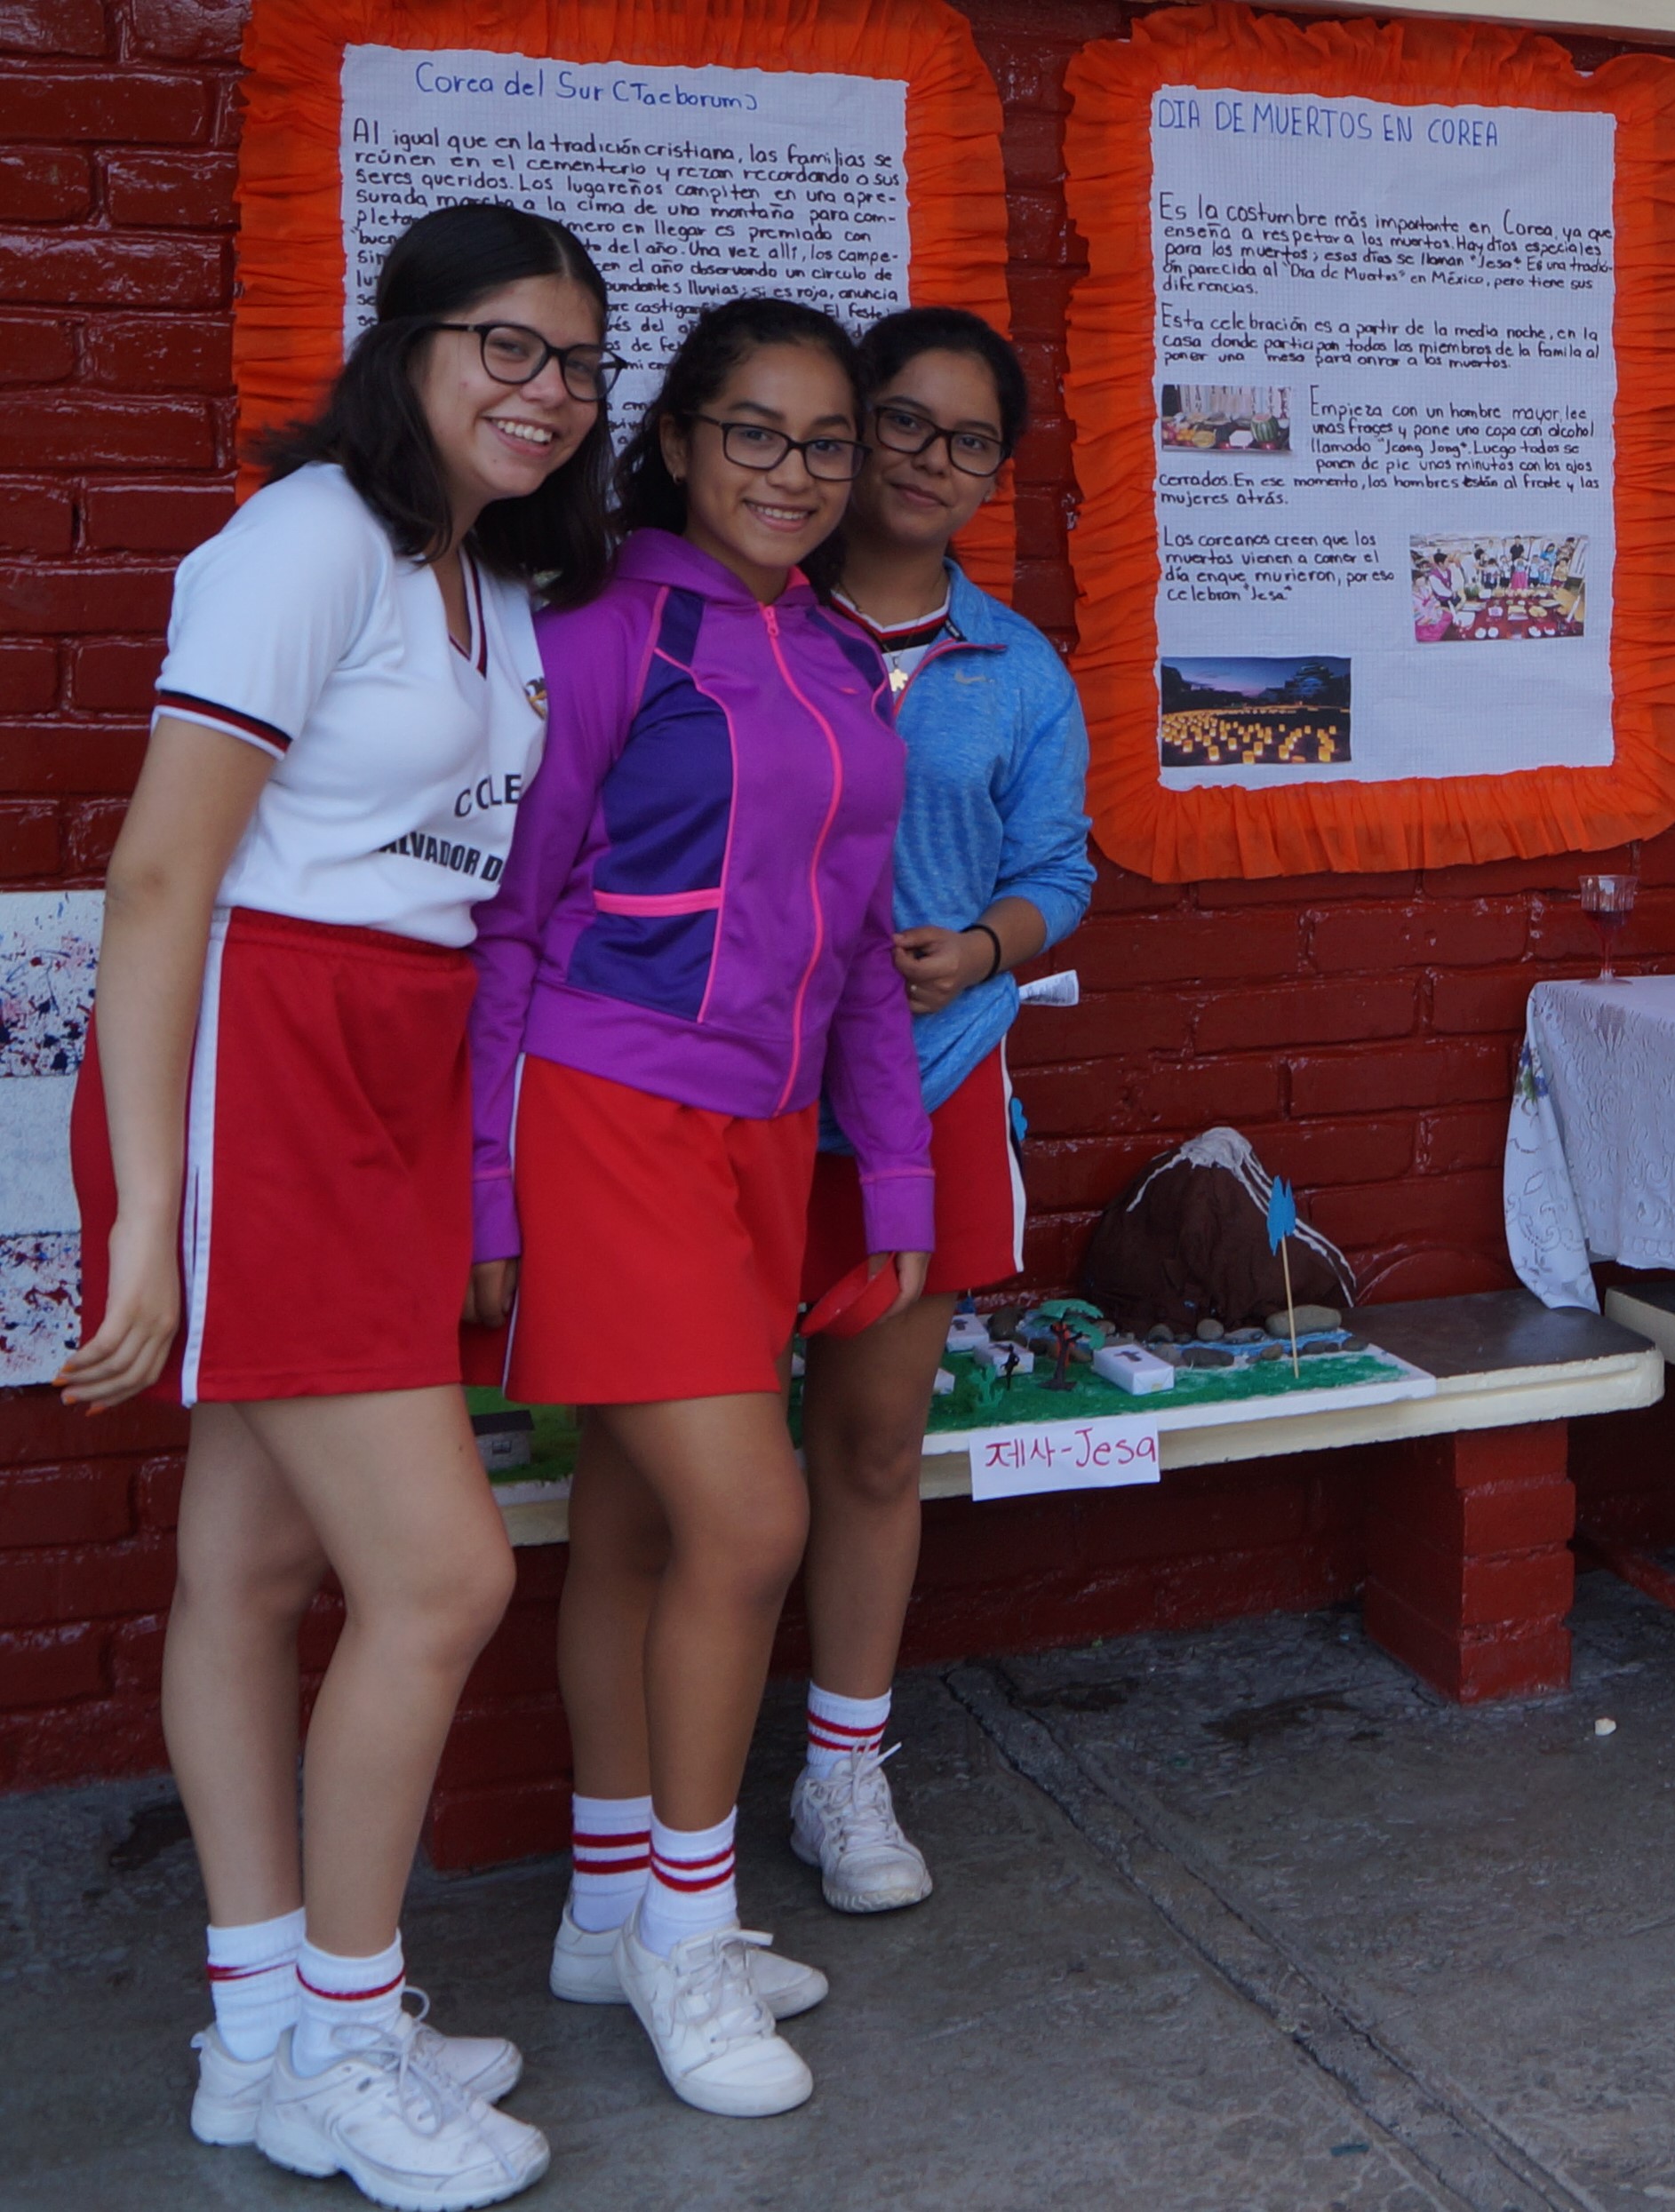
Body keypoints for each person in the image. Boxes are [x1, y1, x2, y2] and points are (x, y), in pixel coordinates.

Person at [56, 201, 610, 2208]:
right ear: (406, 343)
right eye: (504, 344)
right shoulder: (304, 539)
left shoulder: (478, 565)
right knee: (443, 1578)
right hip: (261, 1066)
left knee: (251, 1564)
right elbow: (158, 877)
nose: (545, 389)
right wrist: (147, 1217)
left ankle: (258, 2023)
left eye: (576, 360)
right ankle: (347, 2042)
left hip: (387, 1059)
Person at [469, 297, 934, 2115]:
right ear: (672, 441)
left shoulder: (832, 653)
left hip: (762, 1134)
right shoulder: (602, 634)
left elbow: (867, 953)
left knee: (637, 1523)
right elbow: (509, 924)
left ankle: (607, 1911)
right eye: (754, 432)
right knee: (750, 1523)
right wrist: (487, 1188)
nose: (793, 473)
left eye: (826, 444)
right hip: (606, 1112)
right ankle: (687, 1928)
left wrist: (891, 1170)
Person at [787, 306, 1092, 1914]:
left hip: (932, 1080)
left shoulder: (1017, 667)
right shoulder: (758, 616)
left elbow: (1060, 874)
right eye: (902, 421)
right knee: (683, 1459)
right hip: (740, 1090)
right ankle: (645, 1810)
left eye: (968, 441)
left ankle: (843, 1772)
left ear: (995, 473)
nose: (928, 461)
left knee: (876, 1443)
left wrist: (979, 947)